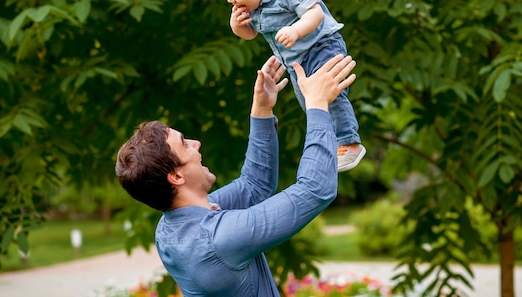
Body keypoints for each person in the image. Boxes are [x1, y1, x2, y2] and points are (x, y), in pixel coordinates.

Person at [116, 54, 357, 297]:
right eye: (185, 145)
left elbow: (254, 186)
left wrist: (261, 109)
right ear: (176, 177)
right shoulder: (217, 240)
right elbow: (314, 190)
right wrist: (317, 105)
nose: (197, 143)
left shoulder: (171, 227)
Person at [212, 0, 365, 171]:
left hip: (320, 45)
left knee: (327, 96)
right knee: (310, 103)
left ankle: (349, 143)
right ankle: (331, 143)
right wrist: (237, 26)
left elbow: (315, 13)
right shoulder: (251, 0)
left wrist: (296, 30)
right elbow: (251, 34)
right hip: (295, 60)